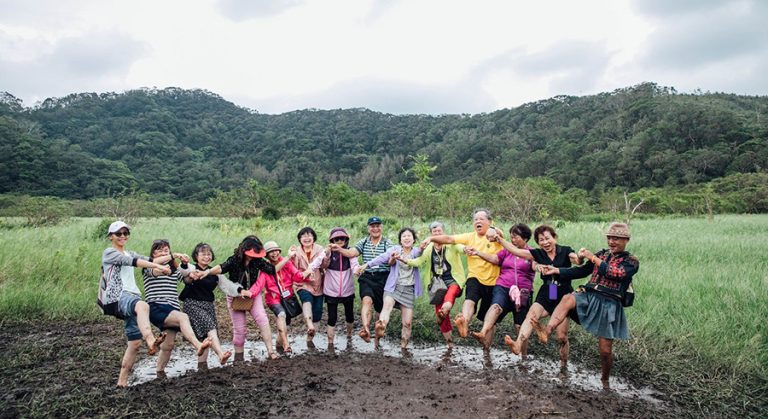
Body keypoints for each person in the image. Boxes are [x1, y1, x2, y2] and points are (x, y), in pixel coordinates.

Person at [533, 222, 639, 389]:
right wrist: (558, 271)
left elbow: (615, 273)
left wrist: (593, 257)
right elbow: (581, 271)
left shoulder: (631, 261)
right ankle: (546, 331)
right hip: (589, 294)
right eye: (609, 238)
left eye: (616, 239)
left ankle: (605, 379)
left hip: (609, 302)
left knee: (605, 351)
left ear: (626, 240)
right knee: (568, 298)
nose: (611, 241)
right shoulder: (602, 254)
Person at [101, 221, 174, 388]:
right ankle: (150, 339)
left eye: (125, 233)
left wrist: (173, 256)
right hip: (118, 297)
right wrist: (157, 265)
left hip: (131, 296)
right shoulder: (109, 253)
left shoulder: (129, 252)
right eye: (118, 233)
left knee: (134, 343)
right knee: (143, 306)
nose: (122, 236)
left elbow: (150, 258)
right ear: (111, 236)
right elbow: (136, 262)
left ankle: (122, 382)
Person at [498, 225, 581, 370]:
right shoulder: (538, 253)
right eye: (541, 240)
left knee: (561, 336)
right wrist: (499, 239)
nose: (545, 242)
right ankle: (518, 344)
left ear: (554, 238)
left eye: (547, 238)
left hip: (563, 293)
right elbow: (516, 251)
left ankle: (563, 365)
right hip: (548, 289)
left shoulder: (565, 250)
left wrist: (581, 256)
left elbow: (577, 260)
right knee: (532, 314)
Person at [420, 209, 503, 338]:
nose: (478, 221)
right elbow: (449, 239)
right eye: (475, 219)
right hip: (474, 277)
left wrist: (493, 229)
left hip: (494, 281)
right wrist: (430, 238)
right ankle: (464, 321)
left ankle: (486, 350)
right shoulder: (469, 236)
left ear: (490, 221)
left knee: (489, 320)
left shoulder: (495, 235)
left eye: (481, 219)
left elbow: (496, 233)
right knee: (470, 299)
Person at [197, 236, 278, 361]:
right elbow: (221, 267)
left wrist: (286, 258)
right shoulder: (235, 260)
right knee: (240, 330)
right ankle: (239, 357)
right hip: (235, 296)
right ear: (244, 250)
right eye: (251, 253)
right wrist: (207, 272)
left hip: (252, 295)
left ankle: (271, 351)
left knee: (263, 319)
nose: (252, 256)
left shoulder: (258, 261)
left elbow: (272, 270)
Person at [142, 239, 213, 376]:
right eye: (161, 250)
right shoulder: (149, 267)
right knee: (183, 317)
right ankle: (198, 345)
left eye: (166, 249)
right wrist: (171, 259)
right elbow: (157, 272)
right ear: (153, 253)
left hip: (172, 308)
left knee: (168, 346)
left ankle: (159, 373)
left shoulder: (174, 268)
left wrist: (190, 271)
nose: (165, 252)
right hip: (157, 306)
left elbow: (186, 279)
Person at [467, 224, 536, 352]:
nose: (513, 240)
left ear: (525, 238)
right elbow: (494, 259)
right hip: (503, 287)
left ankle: (523, 356)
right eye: (511, 238)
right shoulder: (506, 251)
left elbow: (535, 267)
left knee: (519, 325)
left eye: (516, 237)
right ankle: (483, 337)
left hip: (523, 292)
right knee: (495, 307)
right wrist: (477, 252)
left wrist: (540, 266)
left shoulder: (531, 253)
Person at [405, 221, 467, 347]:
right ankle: (450, 344)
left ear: (443, 232)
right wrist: (405, 260)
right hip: (438, 284)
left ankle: (446, 308)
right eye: (434, 232)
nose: (437, 234)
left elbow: (460, 247)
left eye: (439, 231)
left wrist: (466, 249)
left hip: (453, 280)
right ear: (431, 234)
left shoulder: (450, 244)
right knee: (441, 318)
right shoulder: (429, 248)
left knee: (452, 291)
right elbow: (419, 261)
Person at [359, 227, 423, 349]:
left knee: (407, 323)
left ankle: (404, 348)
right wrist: (366, 265)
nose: (407, 238)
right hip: (393, 287)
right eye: (404, 236)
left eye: (409, 236)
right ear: (400, 240)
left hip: (408, 290)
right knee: (387, 306)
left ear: (414, 239)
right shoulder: (395, 250)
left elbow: (423, 252)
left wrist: (427, 243)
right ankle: (380, 328)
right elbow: (381, 258)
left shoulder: (415, 252)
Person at [179, 243, 237, 369]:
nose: (206, 257)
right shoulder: (192, 267)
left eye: (209, 254)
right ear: (196, 256)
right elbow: (183, 273)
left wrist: (242, 292)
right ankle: (220, 354)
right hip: (192, 304)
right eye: (203, 254)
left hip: (208, 305)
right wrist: (186, 268)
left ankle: (201, 366)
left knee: (205, 338)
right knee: (211, 329)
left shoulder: (214, 272)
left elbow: (228, 287)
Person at [337, 216, 393, 343]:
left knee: (380, 310)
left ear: (381, 227)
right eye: (372, 226)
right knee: (366, 301)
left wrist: (393, 260)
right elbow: (352, 253)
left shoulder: (387, 243)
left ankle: (377, 341)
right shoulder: (364, 242)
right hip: (367, 276)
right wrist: (339, 249)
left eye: (378, 226)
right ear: (368, 228)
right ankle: (366, 329)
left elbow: (390, 261)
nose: (375, 228)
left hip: (383, 278)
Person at [307, 228, 358, 350]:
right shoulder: (328, 252)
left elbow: (354, 265)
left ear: (346, 239)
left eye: (342, 238)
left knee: (349, 315)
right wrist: (309, 269)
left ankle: (349, 336)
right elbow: (317, 262)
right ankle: (330, 343)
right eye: (337, 239)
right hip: (331, 291)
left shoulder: (350, 252)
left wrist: (358, 271)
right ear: (332, 240)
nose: (340, 241)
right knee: (332, 317)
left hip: (347, 290)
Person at [260, 240, 309, 354]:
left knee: (286, 322)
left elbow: (296, 276)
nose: (274, 253)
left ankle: (279, 346)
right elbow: (262, 282)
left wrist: (306, 273)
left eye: (276, 250)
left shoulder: (286, 262)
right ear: (266, 255)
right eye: (271, 252)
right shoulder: (265, 267)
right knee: (281, 315)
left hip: (288, 297)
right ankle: (286, 344)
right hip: (273, 298)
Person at [289, 227, 325, 344]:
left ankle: (310, 339)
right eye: (303, 236)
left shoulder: (320, 249)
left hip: (318, 284)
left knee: (318, 312)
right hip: (302, 283)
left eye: (309, 235)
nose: (306, 238)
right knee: (306, 299)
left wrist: (327, 255)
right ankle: (309, 325)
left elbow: (325, 265)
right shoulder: (297, 251)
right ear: (300, 239)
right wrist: (292, 256)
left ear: (314, 238)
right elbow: (292, 268)